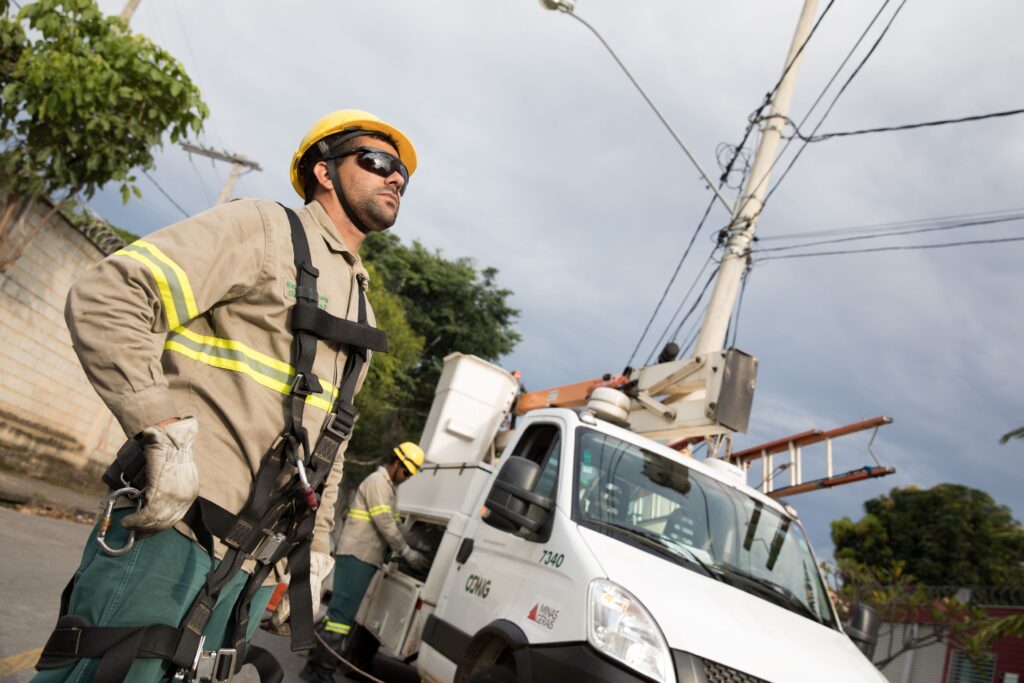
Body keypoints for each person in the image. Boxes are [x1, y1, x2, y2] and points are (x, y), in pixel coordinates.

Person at [33, 109, 418, 682]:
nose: (395, 179)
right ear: (325, 171)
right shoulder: (263, 230)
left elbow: (330, 436)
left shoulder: (360, 304)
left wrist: (311, 550)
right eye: (378, 161)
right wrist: (163, 432)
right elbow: (108, 295)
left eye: (403, 175)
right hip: (174, 531)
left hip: (247, 563)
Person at [301, 442, 430, 683]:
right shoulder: (378, 482)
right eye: (406, 472)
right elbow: (385, 522)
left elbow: (397, 524)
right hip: (358, 555)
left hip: (363, 557)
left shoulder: (389, 487)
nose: (407, 478)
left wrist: (420, 544)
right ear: (396, 463)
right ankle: (321, 671)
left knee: (339, 612)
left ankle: (314, 662)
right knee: (342, 617)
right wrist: (406, 551)